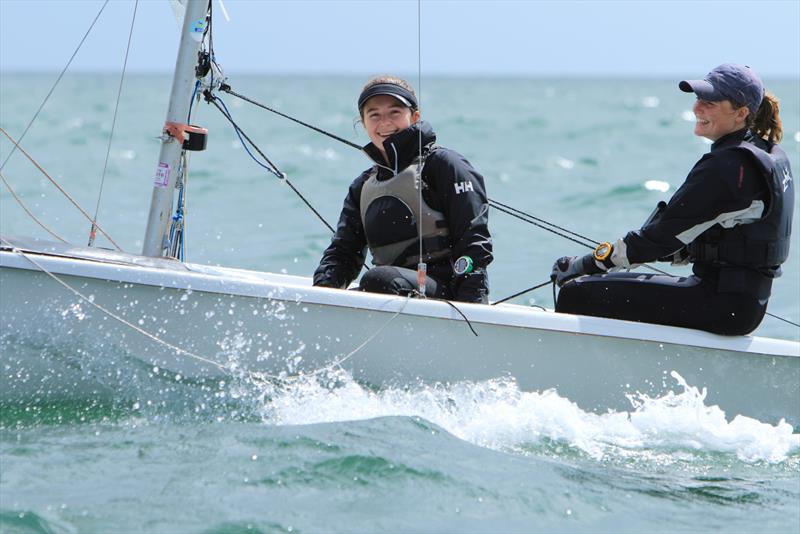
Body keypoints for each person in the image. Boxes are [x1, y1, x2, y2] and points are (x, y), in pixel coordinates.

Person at [551, 64, 794, 335]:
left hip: (722, 305)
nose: (697, 108)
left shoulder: (728, 168)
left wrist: (584, 264)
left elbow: (657, 239)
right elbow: (706, 237)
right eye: (698, 99)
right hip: (741, 304)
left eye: (710, 102)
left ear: (741, 113)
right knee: (603, 283)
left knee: (577, 292)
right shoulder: (766, 154)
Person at [313, 76, 493, 303]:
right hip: (391, 292)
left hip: (448, 296)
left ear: (414, 117)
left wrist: (472, 312)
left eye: (394, 112)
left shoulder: (444, 165)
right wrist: (320, 297)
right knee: (370, 284)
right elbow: (342, 254)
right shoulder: (362, 186)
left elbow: (474, 243)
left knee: (378, 280)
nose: (385, 123)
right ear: (363, 122)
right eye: (374, 115)